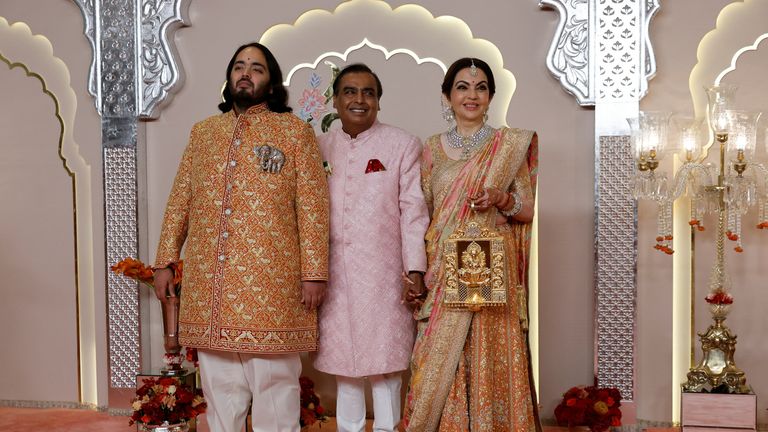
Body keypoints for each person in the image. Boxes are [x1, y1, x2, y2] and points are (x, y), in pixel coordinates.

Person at [152, 42, 329, 432]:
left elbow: (314, 208)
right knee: (220, 390)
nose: (245, 73)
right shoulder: (203, 134)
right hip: (210, 284)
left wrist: (314, 272)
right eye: (239, 66)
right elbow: (180, 199)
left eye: (257, 68)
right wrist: (164, 260)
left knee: (274, 389)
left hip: (271, 285)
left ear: (271, 82)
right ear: (230, 76)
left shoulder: (294, 132)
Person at [402, 57, 542, 431]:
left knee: (486, 348)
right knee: (436, 355)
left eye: (481, 88)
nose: (472, 95)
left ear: (491, 96)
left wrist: (501, 198)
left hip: (487, 266)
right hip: (445, 266)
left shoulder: (507, 144)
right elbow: (425, 213)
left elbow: (526, 210)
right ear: (447, 96)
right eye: (462, 87)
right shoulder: (431, 148)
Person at [312, 63, 429, 432]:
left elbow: (414, 211)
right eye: (350, 91)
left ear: (378, 101)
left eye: (369, 93)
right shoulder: (318, 147)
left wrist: (415, 272)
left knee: (386, 369)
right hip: (333, 275)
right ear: (335, 99)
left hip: (384, 275)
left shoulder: (401, 144)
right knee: (345, 370)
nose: (359, 100)